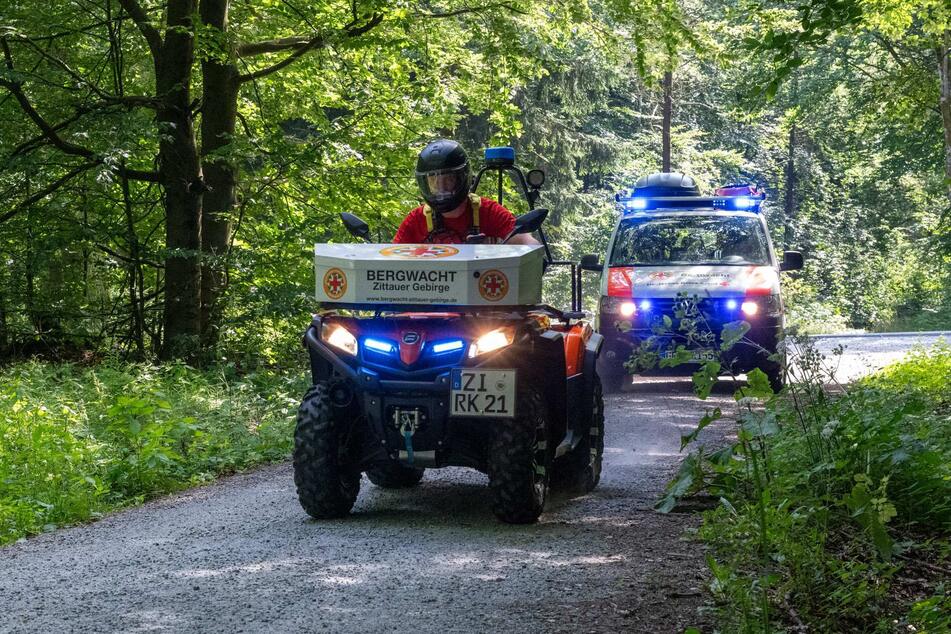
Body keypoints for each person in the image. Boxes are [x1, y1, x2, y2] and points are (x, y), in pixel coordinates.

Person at [393, 139, 540, 245]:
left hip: (481, 286)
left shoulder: (488, 211)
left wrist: (534, 256)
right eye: (433, 181)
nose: (441, 187)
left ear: (462, 178)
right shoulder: (416, 220)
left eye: (448, 179)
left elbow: (527, 244)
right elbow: (390, 263)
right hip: (433, 287)